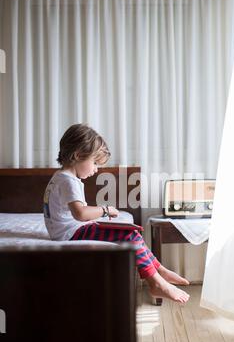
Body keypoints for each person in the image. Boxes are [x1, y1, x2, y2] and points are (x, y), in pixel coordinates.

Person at [43, 123, 190, 304]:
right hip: (70, 234)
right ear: (78, 155)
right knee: (129, 235)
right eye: (95, 162)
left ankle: (159, 270)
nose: (96, 169)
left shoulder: (59, 177)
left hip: (66, 232)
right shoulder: (69, 181)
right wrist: (105, 210)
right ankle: (156, 282)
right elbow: (80, 213)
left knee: (131, 232)